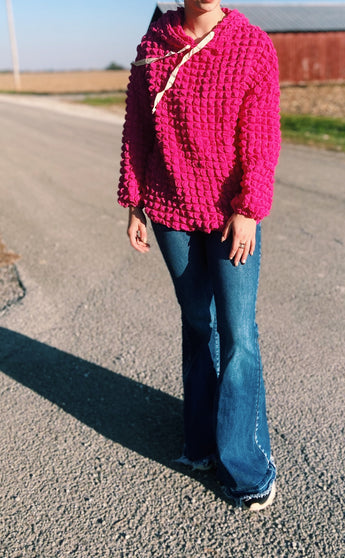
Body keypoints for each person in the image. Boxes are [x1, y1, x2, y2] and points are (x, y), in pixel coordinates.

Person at [118, 0, 281, 511]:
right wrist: (135, 203)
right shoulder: (152, 49)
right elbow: (137, 132)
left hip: (233, 214)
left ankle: (248, 465)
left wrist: (250, 207)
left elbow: (262, 134)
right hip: (170, 211)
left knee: (238, 333)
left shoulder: (252, 45)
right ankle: (201, 443)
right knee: (196, 324)